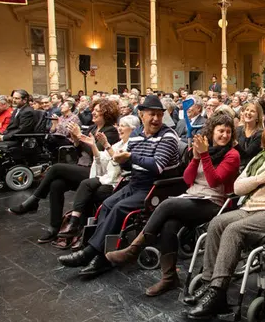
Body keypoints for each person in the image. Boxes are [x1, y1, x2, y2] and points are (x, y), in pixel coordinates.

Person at [106, 114, 240, 296]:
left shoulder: (232, 155)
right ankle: (169, 278)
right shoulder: (203, 150)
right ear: (212, 132)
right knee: (169, 225)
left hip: (215, 202)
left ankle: (134, 249)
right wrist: (195, 158)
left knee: (168, 204)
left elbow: (214, 181)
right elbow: (187, 179)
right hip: (193, 197)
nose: (224, 135)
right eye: (220, 131)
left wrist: (204, 156)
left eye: (228, 132)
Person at [185, 122, 265, 319]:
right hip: (250, 207)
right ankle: (208, 282)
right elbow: (238, 187)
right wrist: (260, 179)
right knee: (217, 223)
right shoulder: (258, 159)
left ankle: (217, 292)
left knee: (234, 230)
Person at [58, 95, 185, 278]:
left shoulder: (168, 136)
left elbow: (157, 166)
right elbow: (128, 166)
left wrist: (130, 158)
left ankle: (92, 254)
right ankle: (101, 254)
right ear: (141, 115)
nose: (156, 119)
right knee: (107, 204)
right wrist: (122, 161)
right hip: (136, 182)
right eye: (152, 114)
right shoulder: (135, 135)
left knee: (119, 208)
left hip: (157, 186)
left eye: (159, 115)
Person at [9, 99, 120, 242]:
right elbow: (81, 153)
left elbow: (98, 157)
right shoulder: (92, 129)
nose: (93, 112)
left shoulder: (110, 131)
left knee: (55, 168)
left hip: (97, 173)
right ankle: (54, 228)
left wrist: (80, 137)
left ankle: (33, 201)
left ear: (107, 113)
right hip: (84, 167)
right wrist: (76, 140)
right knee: (57, 184)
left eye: (97, 110)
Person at [55, 115, 139, 243]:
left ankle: (78, 228)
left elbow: (120, 162)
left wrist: (106, 144)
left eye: (122, 126)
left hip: (120, 182)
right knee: (80, 187)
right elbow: (102, 159)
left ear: (132, 129)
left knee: (87, 190)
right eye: (119, 125)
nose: (119, 129)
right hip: (108, 178)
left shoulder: (133, 144)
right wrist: (93, 145)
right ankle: (78, 228)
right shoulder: (119, 143)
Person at [236, 101, 264, 170]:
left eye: (252, 111)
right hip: (235, 165)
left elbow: (247, 155)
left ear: (258, 116)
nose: (248, 113)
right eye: (247, 110)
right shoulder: (238, 129)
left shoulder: (260, 134)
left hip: (250, 169)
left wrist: (234, 143)